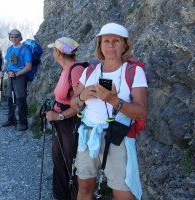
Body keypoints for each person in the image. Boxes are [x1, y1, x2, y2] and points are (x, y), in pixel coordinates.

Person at [70, 23, 148, 200]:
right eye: (106, 41)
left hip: (117, 137)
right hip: (88, 135)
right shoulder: (90, 70)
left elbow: (142, 112)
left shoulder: (134, 72)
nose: (111, 45)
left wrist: (114, 101)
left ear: (124, 45)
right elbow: (73, 105)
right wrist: (82, 97)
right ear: (100, 45)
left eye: (116, 41)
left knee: (124, 194)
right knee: (84, 187)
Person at [45, 37, 85, 200]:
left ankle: (74, 195)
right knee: (59, 158)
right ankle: (61, 195)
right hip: (61, 120)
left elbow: (80, 103)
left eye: (54, 49)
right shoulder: (65, 69)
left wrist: (59, 116)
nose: (53, 52)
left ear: (58, 52)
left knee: (70, 161)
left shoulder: (76, 70)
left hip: (69, 121)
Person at [0, 29, 32, 131]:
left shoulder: (25, 49)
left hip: (20, 76)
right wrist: (3, 71)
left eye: (16, 36)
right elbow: (6, 62)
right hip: (10, 75)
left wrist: (17, 74)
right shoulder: (9, 49)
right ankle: (11, 119)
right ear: (9, 37)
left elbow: (29, 66)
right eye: (12, 37)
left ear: (20, 37)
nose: (14, 38)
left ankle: (23, 122)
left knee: (20, 98)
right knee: (9, 97)